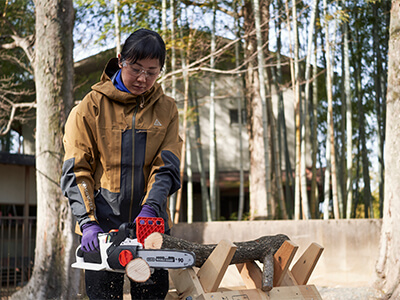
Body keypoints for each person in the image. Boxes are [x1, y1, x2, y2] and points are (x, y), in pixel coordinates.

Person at [61, 28, 182, 299]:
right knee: (103, 295)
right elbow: (76, 169)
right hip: (102, 224)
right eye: (136, 68)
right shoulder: (89, 108)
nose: (142, 78)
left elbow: (167, 165)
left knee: (152, 294)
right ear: (120, 60)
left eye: (152, 72)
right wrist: (87, 221)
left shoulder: (167, 109)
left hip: (149, 224)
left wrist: (152, 208)